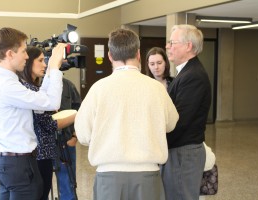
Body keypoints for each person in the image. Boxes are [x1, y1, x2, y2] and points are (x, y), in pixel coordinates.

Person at [74, 28, 179, 200]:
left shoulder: (98, 89)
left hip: (108, 177)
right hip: (148, 176)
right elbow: (171, 123)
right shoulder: (156, 88)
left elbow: (83, 135)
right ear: (138, 54)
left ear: (109, 56)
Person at [0, 27, 66, 200]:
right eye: (23, 51)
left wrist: (51, 69)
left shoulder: (5, 80)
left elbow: (40, 101)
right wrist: (54, 67)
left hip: (11, 163)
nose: (26, 56)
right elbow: (52, 103)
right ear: (10, 54)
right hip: (19, 166)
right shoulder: (7, 86)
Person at [17, 46, 76, 200]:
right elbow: (49, 121)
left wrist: (51, 71)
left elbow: (43, 95)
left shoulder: (29, 88)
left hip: (38, 153)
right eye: (41, 60)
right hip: (40, 154)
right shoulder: (27, 88)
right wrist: (76, 115)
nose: (44, 65)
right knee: (41, 194)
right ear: (29, 62)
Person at [161, 24, 212, 200]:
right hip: (179, 150)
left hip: (183, 152)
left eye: (172, 42)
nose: (168, 46)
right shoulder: (185, 73)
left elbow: (180, 122)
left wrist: (157, 143)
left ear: (188, 46)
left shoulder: (193, 76)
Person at [54, 77, 81, 200]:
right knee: (40, 187)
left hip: (66, 141)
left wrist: (75, 136)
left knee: (68, 185)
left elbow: (80, 112)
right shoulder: (34, 86)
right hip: (42, 145)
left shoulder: (68, 85)